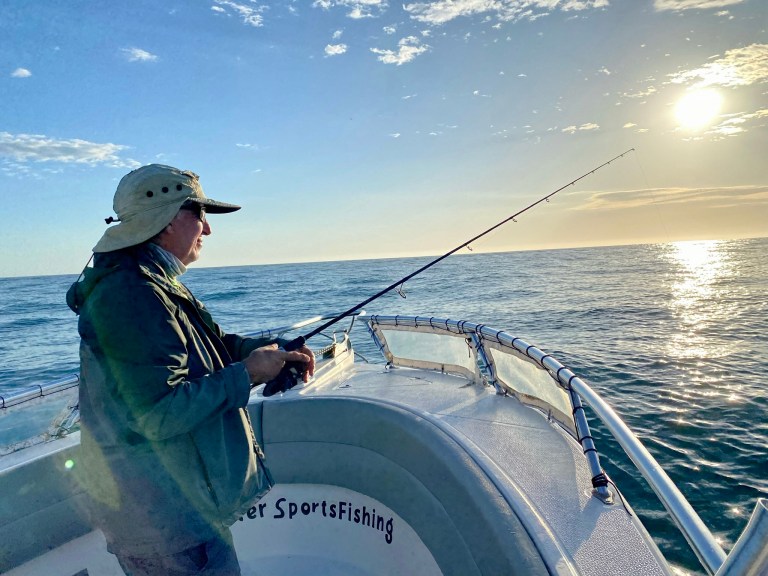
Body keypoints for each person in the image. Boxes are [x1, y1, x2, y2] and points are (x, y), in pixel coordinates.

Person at [66, 164, 315, 575]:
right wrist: (248, 374)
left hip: (177, 510)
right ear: (166, 220)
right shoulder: (133, 293)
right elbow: (155, 412)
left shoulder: (151, 280)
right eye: (199, 214)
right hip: (167, 525)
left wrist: (268, 352)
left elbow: (209, 345)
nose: (208, 229)